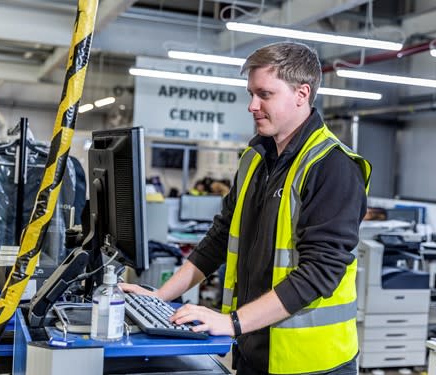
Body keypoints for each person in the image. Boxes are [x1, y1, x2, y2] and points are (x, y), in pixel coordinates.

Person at [121, 41, 371, 375]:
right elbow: (220, 237)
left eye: (264, 94)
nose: (252, 105)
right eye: (250, 94)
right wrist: (158, 298)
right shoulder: (255, 158)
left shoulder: (333, 166)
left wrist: (231, 322)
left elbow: (319, 273)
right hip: (253, 350)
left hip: (312, 363)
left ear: (302, 93)